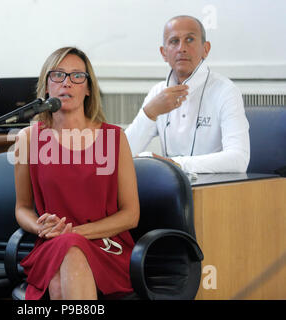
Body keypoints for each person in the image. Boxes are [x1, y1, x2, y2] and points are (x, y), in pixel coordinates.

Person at [14, 47, 140, 300]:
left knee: (67, 253)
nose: (67, 83)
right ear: (46, 86)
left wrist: (73, 234)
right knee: (66, 251)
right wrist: (41, 228)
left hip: (106, 245)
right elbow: (22, 208)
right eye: (58, 75)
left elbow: (130, 215)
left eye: (77, 76)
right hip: (51, 242)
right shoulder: (27, 139)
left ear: (89, 88)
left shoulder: (114, 138)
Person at [125, 15, 250, 173]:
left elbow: (238, 160)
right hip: (170, 191)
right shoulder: (158, 92)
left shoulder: (225, 91)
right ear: (164, 53)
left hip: (216, 190)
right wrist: (149, 113)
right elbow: (123, 153)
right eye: (174, 41)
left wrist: (174, 164)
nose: (181, 48)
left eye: (190, 39)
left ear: (206, 49)